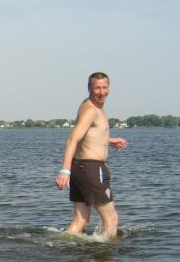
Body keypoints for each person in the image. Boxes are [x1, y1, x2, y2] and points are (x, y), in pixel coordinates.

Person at [55, 72, 128, 237]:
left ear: (109, 88)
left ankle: (58, 245)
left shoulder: (89, 105)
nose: (102, 92)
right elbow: (72, 139)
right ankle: (107, 253)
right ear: (89, 88)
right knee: (112, 219)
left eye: (104, 87)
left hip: (81, 167)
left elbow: (88, 135)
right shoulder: (91, 110)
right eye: (97, 88)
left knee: (81, 220)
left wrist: (108, 140)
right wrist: (64, 171)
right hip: (91, 169)